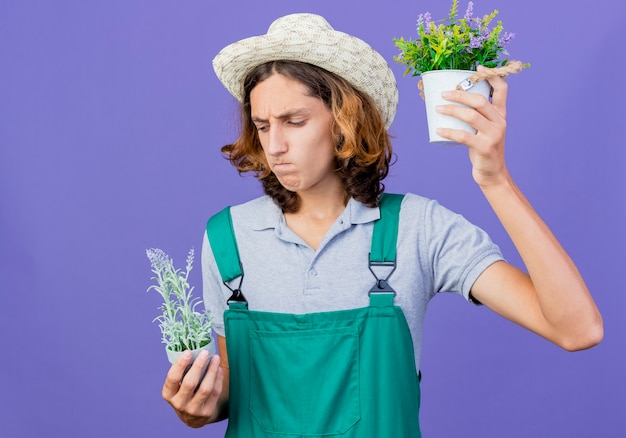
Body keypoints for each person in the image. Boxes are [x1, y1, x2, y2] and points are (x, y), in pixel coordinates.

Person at [161, 13, 603, 436]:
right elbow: (228, 399)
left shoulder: (418, 229)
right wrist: (195, 409)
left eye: (295, 121)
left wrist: (495, 179)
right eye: (261, 126)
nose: (275, 145)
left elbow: (577, 330)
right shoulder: (227, 238)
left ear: (343, 121)